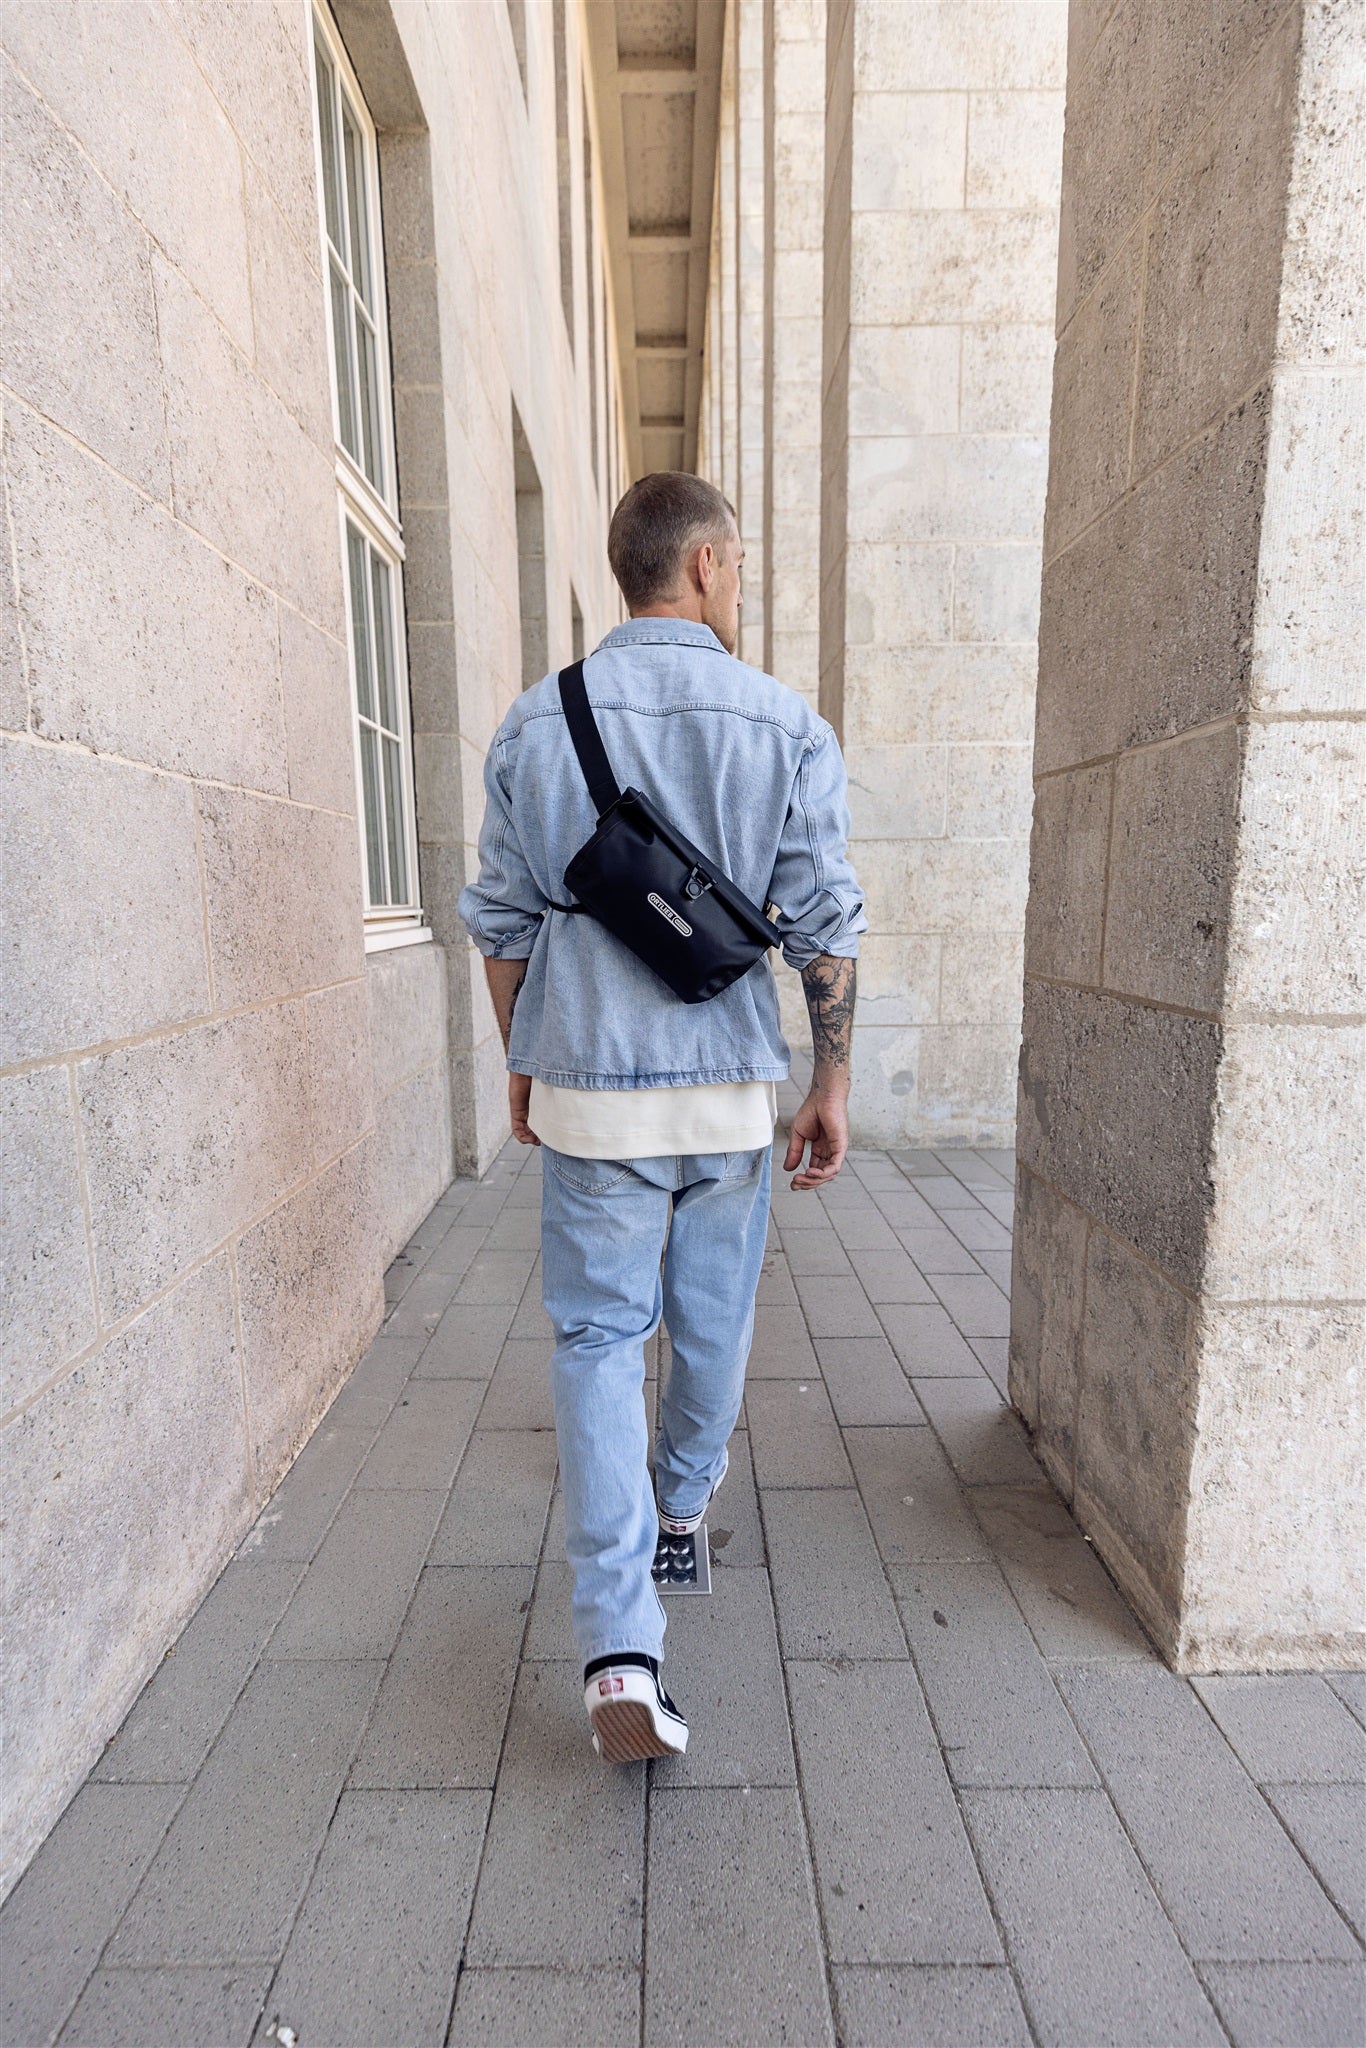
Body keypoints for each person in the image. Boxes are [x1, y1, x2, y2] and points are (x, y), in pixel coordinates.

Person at [459, 472, 864, 1762]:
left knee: (592, 1341)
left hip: (586, 1092)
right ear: (703, 565)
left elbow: (504, 924)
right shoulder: (786, 724)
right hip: (731, 1094)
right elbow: (826, 934)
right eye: (736, 567)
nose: (738, 588)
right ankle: (682, 1508)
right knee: (713, 1324)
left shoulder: (536, 723)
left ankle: (620, 1647)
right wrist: (829, 1084)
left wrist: (522, 1064)